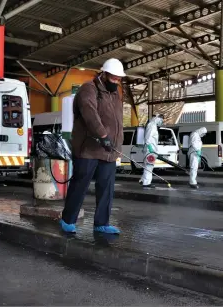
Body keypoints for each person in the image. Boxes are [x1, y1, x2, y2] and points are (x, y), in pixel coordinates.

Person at [60, 58, 125, 234]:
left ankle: (101, 223)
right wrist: (103, 135)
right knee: (80, 185)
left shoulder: (115, 94)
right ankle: (68, 220)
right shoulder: (88, 88)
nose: (116, 82)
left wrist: (117, 142)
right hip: (89, 149)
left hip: (109, 151)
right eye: (113, 78)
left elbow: (118, 121)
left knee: (106, 188)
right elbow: (90, 114)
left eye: (119, 79)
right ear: (103, 74)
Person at [139, 114, 164, 189]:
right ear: (157, 118)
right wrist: (150, 148)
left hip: (150, 149)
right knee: (149, 166)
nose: (161, 121)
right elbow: (148, 137)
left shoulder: (152, 125)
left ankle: (143, 180)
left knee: (147, 166)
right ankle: (146, 183)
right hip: (150, 150)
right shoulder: (152, 125)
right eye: (161, 119)